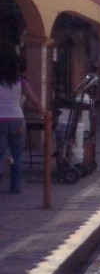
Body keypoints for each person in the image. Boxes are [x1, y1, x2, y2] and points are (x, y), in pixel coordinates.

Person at [0, 47, 46, 194]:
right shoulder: (21, 82)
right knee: (17, 155)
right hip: (18, 121)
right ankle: (15, 187)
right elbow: (35, 101)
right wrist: (45, 116)